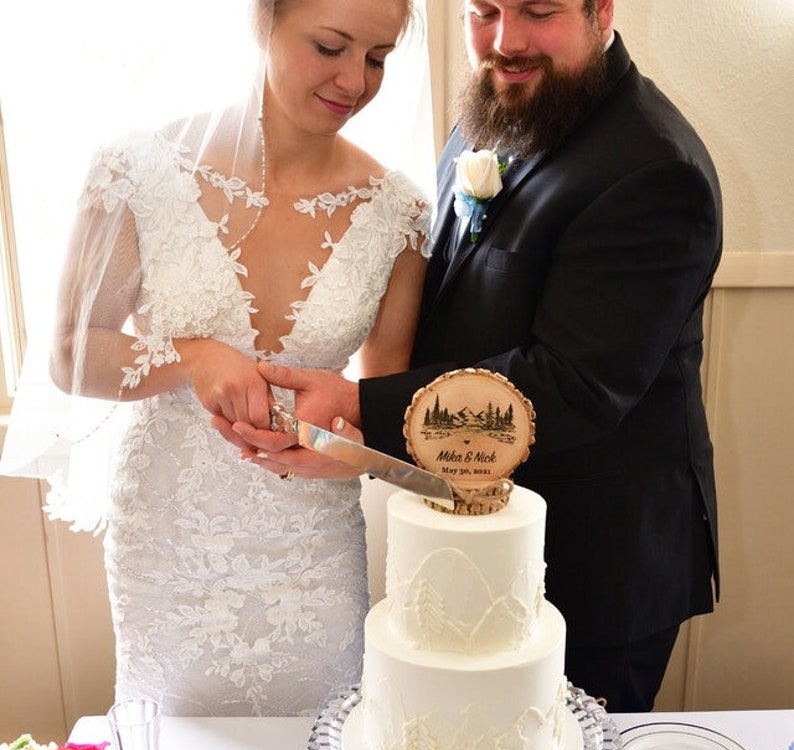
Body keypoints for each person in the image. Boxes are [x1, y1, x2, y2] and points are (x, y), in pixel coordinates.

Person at [220, 0, 722, 712]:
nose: (505, 40)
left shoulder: (655, 171)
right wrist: (358, 440)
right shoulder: (494, 111)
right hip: (467, 532)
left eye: (538, 11)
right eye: (483, 11)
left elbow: (570, 383)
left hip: (591, 566)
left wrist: (362, 408)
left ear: (601, 9)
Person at [31, 0, 430, 717]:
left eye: (378, 57)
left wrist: (343, 450)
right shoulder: (137, 170)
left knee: (321, 748)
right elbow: (66, 353)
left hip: (314, 550)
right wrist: (189, 356)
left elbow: (385, 401)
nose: (355, 80)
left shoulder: (398, 214)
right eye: (331, 46)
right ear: (263, 19)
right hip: (171, 543)